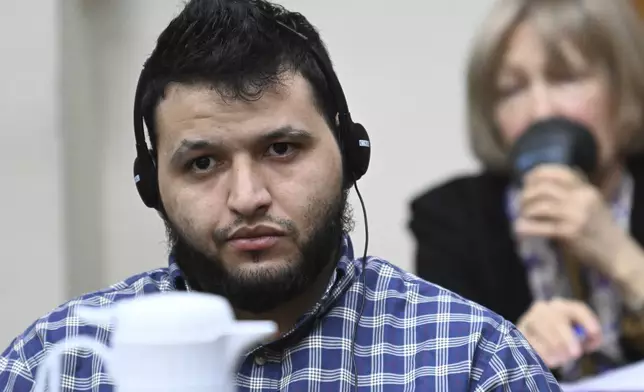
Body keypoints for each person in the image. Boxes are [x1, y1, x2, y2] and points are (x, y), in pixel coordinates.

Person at [0, 0, 559, 390]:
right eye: (202, 163)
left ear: (349, 154)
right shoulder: (56, 363)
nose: (247, 197)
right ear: (152, 187)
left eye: (282, 150)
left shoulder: (473, 362)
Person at [409, 0, 644, 382]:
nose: (539, 111)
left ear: (623, 86)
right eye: (511, 89)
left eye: (566, 78)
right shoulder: (450, 217)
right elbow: (439, 376)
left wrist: (621, 258)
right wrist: (510, 350)